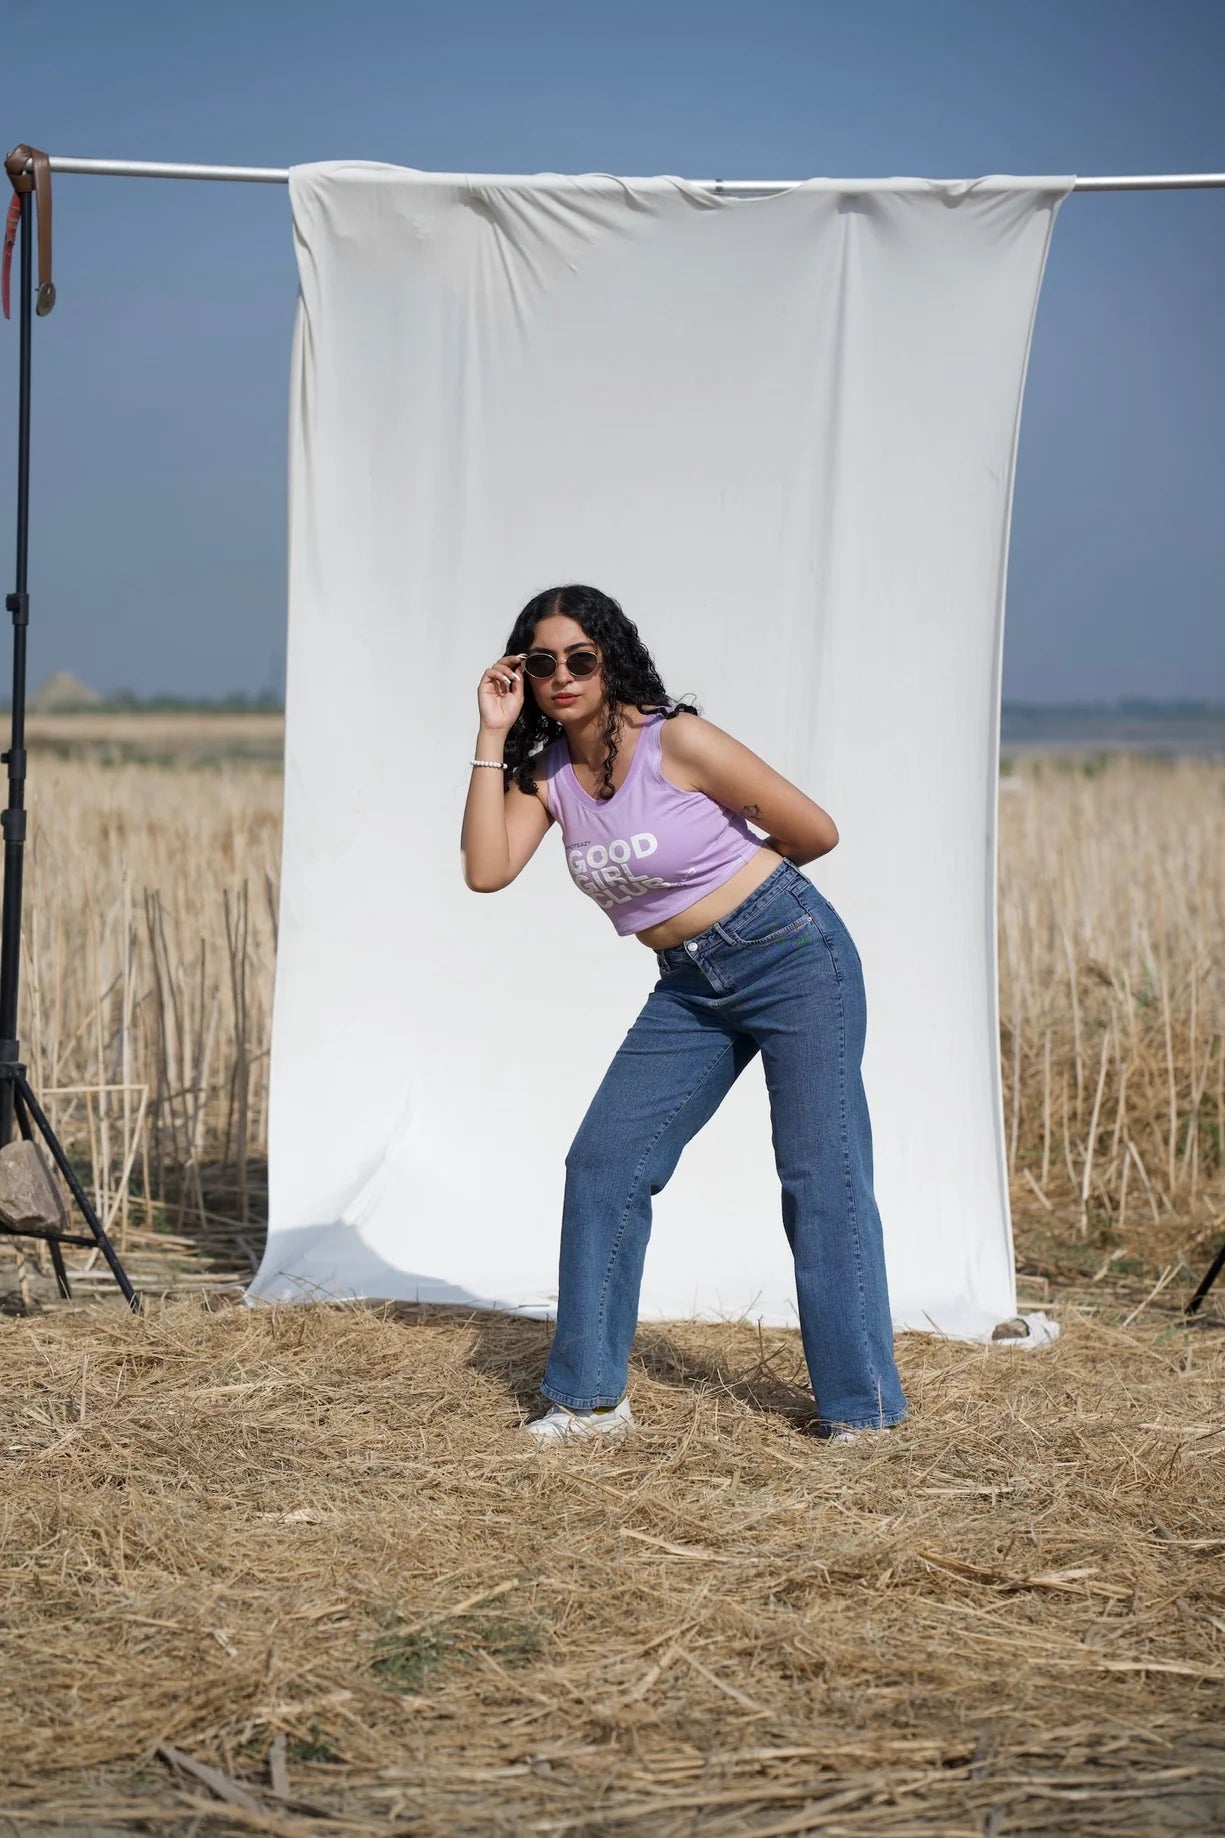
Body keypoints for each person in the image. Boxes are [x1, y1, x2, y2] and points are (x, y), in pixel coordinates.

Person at [461, 584, 906, 1446]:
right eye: (542, 663)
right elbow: (486, 870)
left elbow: (814, 832)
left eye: (581, 658)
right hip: (689, 984)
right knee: (604, 1163)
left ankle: (864, 1412)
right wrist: (490, 735)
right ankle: (589, 1401)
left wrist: (731, 889)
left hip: (791, 954)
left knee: (820, 1174)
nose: (562, 676)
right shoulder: (547, 775)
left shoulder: (678, 740)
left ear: (612, 660)